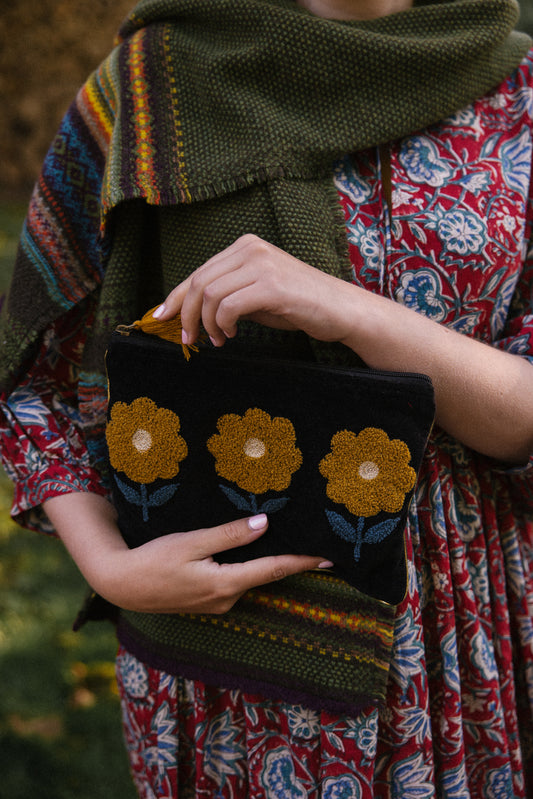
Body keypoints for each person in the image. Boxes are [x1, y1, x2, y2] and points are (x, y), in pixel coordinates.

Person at [1, 0, 533, 795]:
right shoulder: (153, 90)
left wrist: (350, 310)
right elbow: (34, 370)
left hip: (469, 635)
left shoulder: (516, 92)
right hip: (231, 656)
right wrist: (109, 567)